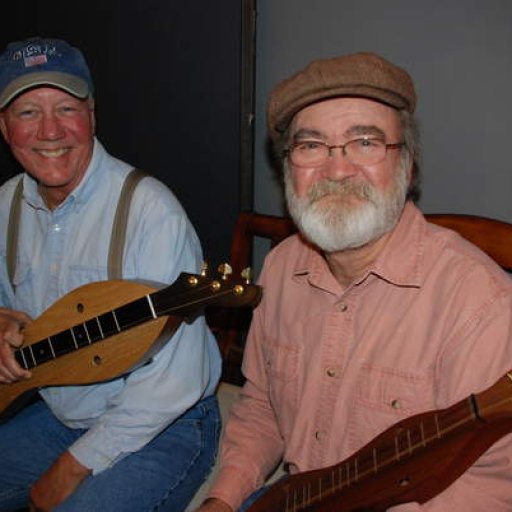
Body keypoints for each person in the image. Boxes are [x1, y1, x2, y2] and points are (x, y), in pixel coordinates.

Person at [197, 52, 512, 511]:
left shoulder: (481, 306)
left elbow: (487, 487)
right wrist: (222, 501)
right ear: (289, 170)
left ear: (408, 166)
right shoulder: (282, 266)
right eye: (311, 145)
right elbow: (262, 406)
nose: (337, 169)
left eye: (365, 142)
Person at [0, 37, 222, 511]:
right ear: (3, 128)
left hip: (163, 421)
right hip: (61, 410)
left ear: (92, 116)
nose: (50, 130)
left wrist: (74, 464)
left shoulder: (151, 211)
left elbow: (175, 380)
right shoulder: (5, 206)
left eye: (66, 107)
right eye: (27, 113)